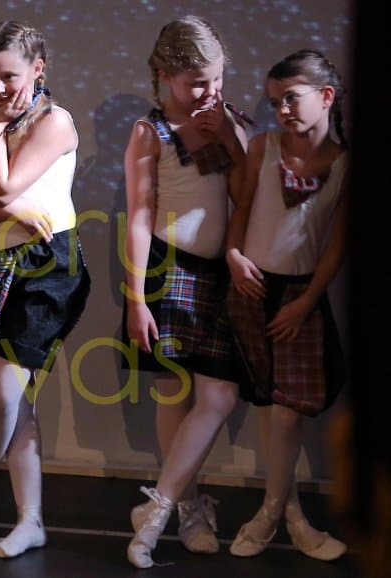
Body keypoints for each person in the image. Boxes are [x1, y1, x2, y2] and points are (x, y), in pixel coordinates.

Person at [0, 20, 90, 559]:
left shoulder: (55, 122)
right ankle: (31, 520)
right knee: (17, 400)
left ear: (37, 69)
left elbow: (4, 187)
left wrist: (0, 127)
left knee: (5, 391)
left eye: (9, 76)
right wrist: (11, 211)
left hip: (45, 268)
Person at [121, 15, 249, 568]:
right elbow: (139, 216)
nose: (210, 91)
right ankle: (188, 506)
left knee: (219, 396)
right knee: (174, 392)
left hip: (219, 273)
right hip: (168, 268)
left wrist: (228, 136)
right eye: (198, 81)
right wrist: (136, 298)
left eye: (216, 79)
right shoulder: (150, 132)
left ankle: (156, 509)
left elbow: (245, 193)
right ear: (164, 76)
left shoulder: (228, 122)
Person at [224, 49, 348, 561]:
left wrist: (309, 301)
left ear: (326, 96)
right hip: (252, 286)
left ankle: (273, 513)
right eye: (276, 102)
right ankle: (289, 517)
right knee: (270, 407)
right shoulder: (263, 147)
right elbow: (243, 210)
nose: (282, 111)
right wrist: (233, 255)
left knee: (287, 415)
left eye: (291, 99)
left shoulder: (344, 165)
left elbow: (335, 245)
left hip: (299, 296)